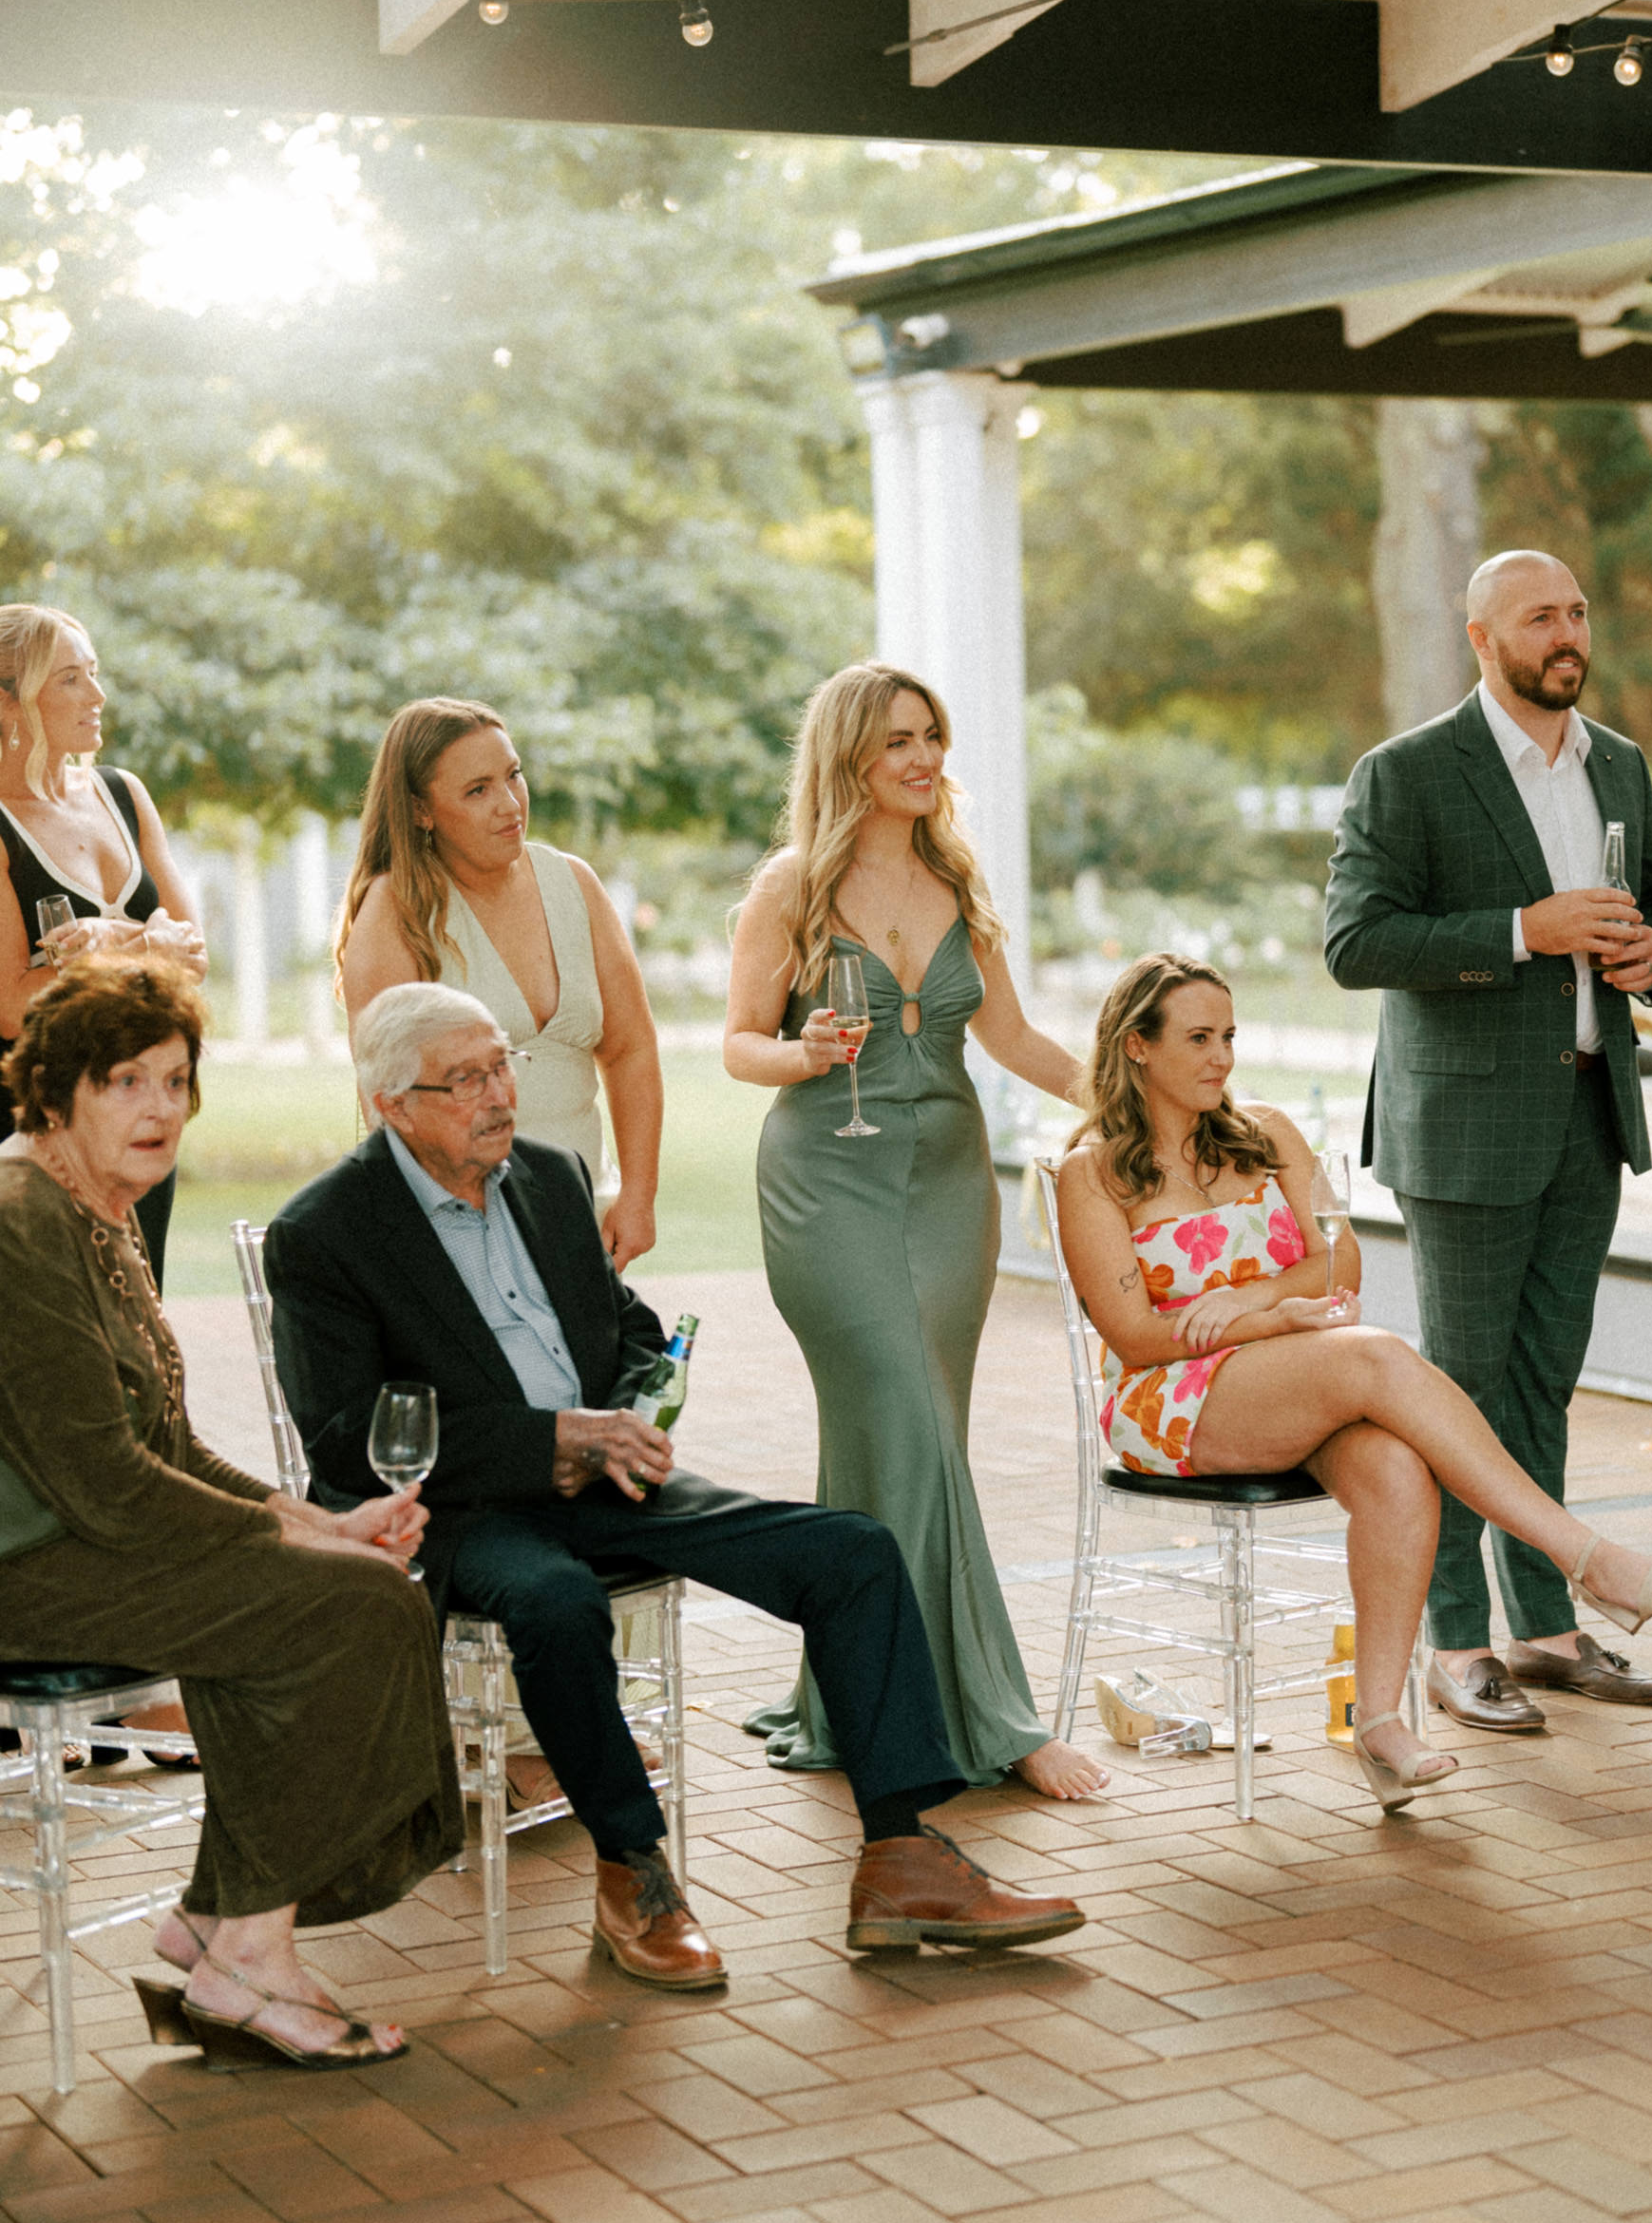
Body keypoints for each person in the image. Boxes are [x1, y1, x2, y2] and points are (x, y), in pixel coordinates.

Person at [266, 982, 1085, 1986]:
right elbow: (346, 1440)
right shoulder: (327, 1230)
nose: (499, 1095)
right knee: (557, 1603)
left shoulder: (551, 1176)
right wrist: (546, 1440)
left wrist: (627, 1418)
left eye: (501, 1066)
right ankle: (633, 1873)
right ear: (392, 1104)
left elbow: (630, 1332)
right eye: (465, 1080)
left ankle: (901, 1857)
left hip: (605, 1479)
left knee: (853, 1553)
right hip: (457, 1509)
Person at [1056, 954, 1652, 1811]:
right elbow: (1134, 1336)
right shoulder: (1092, 1172)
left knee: (1398, 1469)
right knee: (1374, 1355)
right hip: (1172, 1399)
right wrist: (1274, 1320)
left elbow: (1341, 1261)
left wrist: (1252, 1299)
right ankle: (1583, 1557)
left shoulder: (1270, 1133)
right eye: (1199, 1039)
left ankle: (1382, 1724)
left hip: (1295, 1378)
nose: (1223, 1057)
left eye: (1230, 1036)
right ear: (1137, 1045)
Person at [0, 956, 459, 2068]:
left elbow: (170, 1447)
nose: (158, 1109)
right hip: (31, 1567)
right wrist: (296, 1544)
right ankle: (242, 1950)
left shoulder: (97, 1207)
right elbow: (109, 1482)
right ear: (55, 1093)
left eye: (174, 1080)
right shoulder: (21, 1222)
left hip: (90, 1539)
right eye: (123, 1082)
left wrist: (318, 1523)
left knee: (362, 1589)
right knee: (352, 1611)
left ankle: (224, 1923)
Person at [725, 662, 1106, 1800]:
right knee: (907, 1413)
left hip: (947, 1187)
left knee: (907, 1432)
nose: (923, 758)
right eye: (896, 740)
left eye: (930, 736)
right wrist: (801, 1053)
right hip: (823, 1185)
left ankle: (858, 1692)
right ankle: (996, 1715)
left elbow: (1012, 1039)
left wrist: (1128, 1101)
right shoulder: (789, 888)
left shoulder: (955, 878)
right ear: (846, 756)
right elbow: (738, 1043)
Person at [1323, 552, 1652, 1736]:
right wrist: (1525, 930)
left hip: (1588, 1114)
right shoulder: (1406, 772)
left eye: (1576, 611)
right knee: (1459, 1390)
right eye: (1539, 617)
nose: (1566, 633)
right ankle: (1452, 1642)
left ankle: (1541, 1626)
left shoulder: (1616, 763)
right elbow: (1356, 943)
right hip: (1465, 1128)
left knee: (1541, 1384)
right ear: (1482, 639)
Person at [337, 698, 662, 1269]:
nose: (510, 804)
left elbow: (631, 1048)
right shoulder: (395, 909)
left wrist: (638, 1195)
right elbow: (388, 1103)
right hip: (464, 1228)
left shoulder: (575, 884)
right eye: (477, 790)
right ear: (420, 810)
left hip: (588, 1212)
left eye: (514, 775)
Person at [0, 603, 208, 1284]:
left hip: (144, 1110)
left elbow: (193, 955)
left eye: (93, 673)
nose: (97, 695)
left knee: (142, 1309)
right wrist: (145, 947)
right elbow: (13, 1005)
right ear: (8, 701)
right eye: (69, 679)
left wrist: (103, 942)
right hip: (41, 1123)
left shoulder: (122, 793)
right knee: (55, 1322)